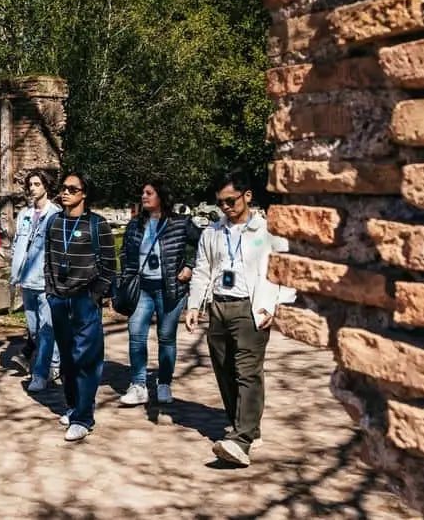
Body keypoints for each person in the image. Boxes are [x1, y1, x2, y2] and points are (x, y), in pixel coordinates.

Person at [184, 167, 296, 467]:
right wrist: (194, 306)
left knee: (247, 371)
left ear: (247, 196)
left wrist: (275, 305)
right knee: (224, 369)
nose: (225, 207)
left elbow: (283, 269)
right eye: (220, 202)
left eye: (231, 200)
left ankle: (242, 440)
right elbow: (202, 270)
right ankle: (245, 425)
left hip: (251, 307)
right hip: (218, 307)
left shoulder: (267, 232)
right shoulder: (213, 232)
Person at [44, 171, 116, 443]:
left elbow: (110, 266)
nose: (65, 193)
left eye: (72, 189)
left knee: (86, 359)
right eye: (63, 188)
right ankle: (74, 405)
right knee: (67, 358)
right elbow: (48, 261)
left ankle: (83, 418)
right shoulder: (54, 222)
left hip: (85, 299)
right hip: (59, 299)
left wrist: (94, 295)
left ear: (84, 194)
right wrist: (51, 292)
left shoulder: (97, 225)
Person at [118, 178, 202, 407]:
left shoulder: (180, 223)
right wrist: (126, 279)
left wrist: (189, 266)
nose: (144, 196)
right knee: (136, 337)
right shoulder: (135, 225)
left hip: (170, 290)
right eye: (142, 193)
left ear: (161, 197)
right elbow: (125, 253)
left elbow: (202, 243)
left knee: (166, 338)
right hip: (141, 289)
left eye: (149, 193)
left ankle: (164, 383)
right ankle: (138, 385)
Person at [10, 168, 61, 392]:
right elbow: (17, 246)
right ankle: (53, 363)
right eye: (30, 184)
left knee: (47, 328)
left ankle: (43, 371)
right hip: (26, 280)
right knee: (33, 329)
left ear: (46, 187)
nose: (32, 188)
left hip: (46, 280)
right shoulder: (24, 214)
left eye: (37, 184)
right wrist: (17, 274)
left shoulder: (55, 214)